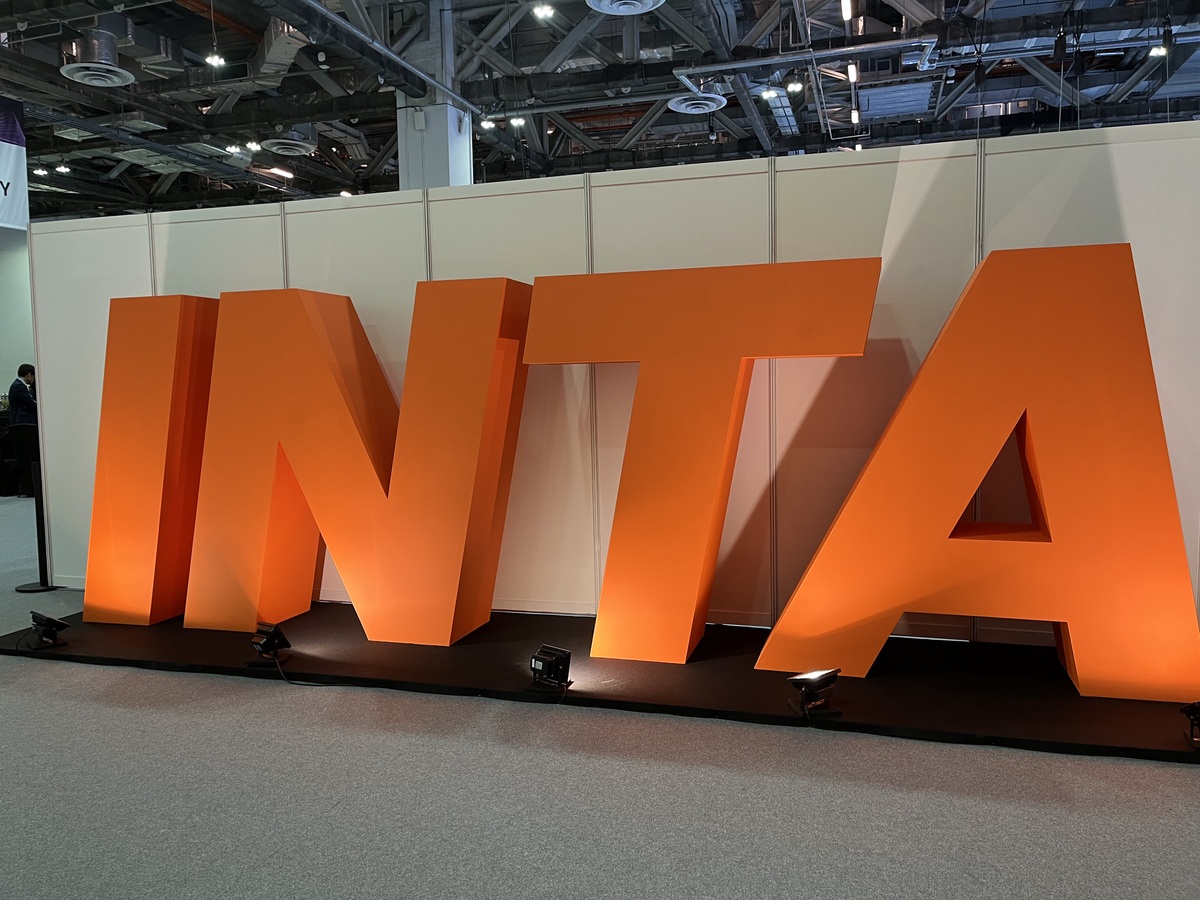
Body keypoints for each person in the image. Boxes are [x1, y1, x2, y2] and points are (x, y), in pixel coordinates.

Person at [8, 364, 38, 497]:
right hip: (23, 424)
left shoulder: (17, 386)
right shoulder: (19, 387)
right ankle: (29, 486)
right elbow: (30, 404)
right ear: (29, 375)